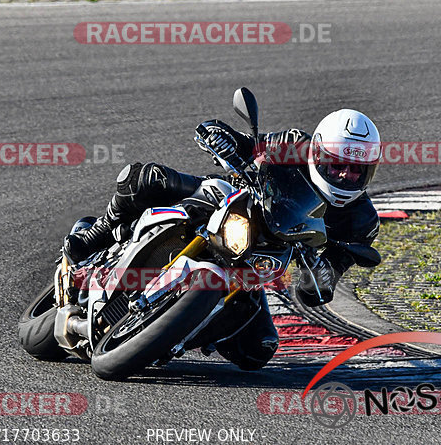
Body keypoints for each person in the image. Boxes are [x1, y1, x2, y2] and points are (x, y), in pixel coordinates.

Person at [64, 107, 382, 370]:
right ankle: (96, 235)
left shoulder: (362, 221)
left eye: (357, 170)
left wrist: (322, 275)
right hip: (235, 205)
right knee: (147, 178)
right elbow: (243, 142)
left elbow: (318, 288)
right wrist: (221, 136)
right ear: (318, 152)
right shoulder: (294, 144)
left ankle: (176, 333)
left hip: (262, 259)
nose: (346, 176)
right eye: (338, 164)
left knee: (257, 351)